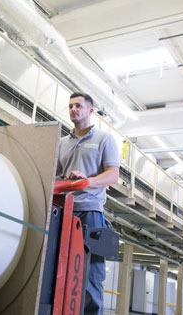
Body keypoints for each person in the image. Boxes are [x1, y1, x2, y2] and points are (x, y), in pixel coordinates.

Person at [56, 92, 120, 315]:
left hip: (91, 213)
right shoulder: (61, 142)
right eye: (71, 106)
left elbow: (112, 176)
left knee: (91, 277)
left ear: (90, 111)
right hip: (63, 213)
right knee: (58, 272)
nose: (74, 109)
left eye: (79, 106)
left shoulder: (104, 139)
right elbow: (54, 176)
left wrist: (85, 182)